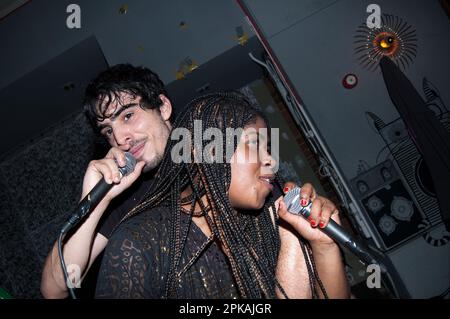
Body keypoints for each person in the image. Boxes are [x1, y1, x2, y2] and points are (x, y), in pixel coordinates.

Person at [95, 92, 350, 298]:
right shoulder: (141, 241)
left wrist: (322, 246)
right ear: (204, 152)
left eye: (268, 147)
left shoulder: (267, 228)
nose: (271, 160)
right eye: (254, 143)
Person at [40, 64, 174, 298]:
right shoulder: (124, 198)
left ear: (162, 107)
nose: (121, 138)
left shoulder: (211, 150)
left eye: (128, 116)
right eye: (108, 131)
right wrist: (95, 200)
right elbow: (56, 288)